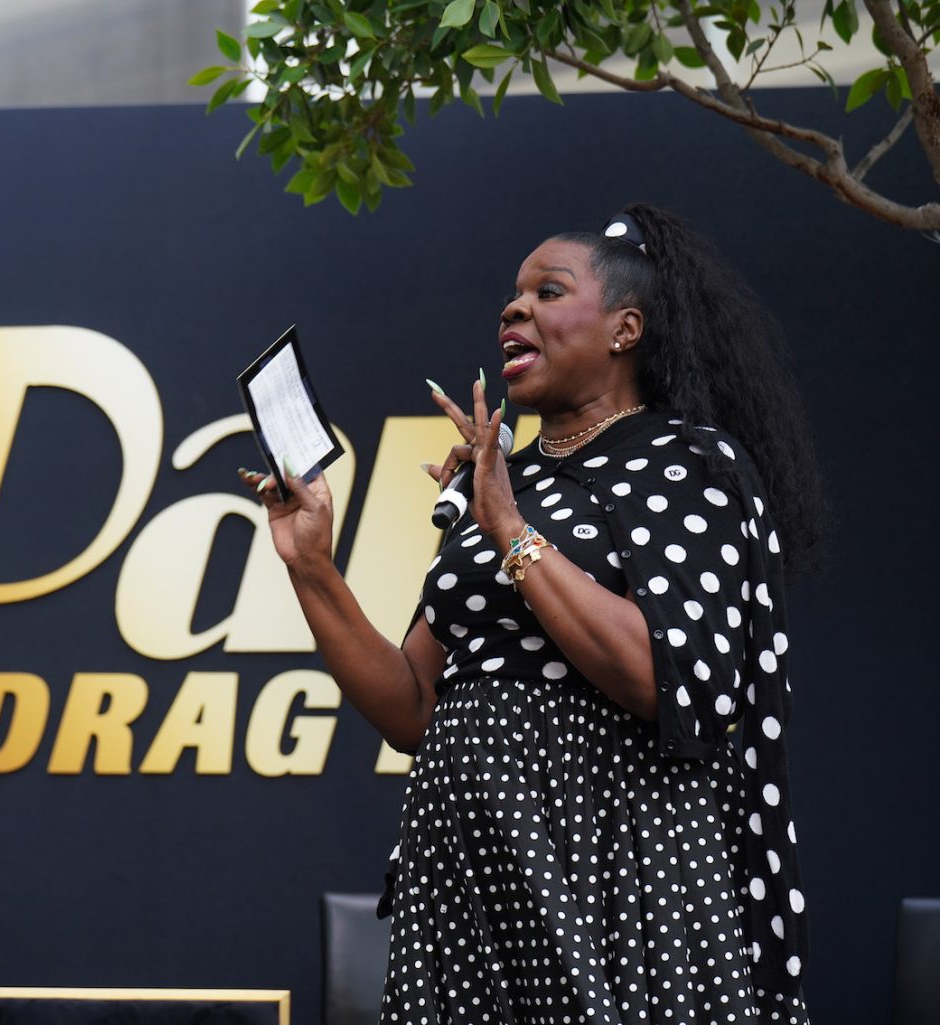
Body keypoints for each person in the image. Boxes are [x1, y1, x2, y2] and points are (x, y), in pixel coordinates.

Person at [239, 204, 820, 1025]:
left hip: (609, 861)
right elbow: (411, 706)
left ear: (626, 328)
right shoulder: (506, 481)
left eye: (548, 291)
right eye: (513, 297)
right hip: (468, 870)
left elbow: (666, 680)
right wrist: (311, 565)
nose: (512, 310)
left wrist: (511, 528)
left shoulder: (688, 465)